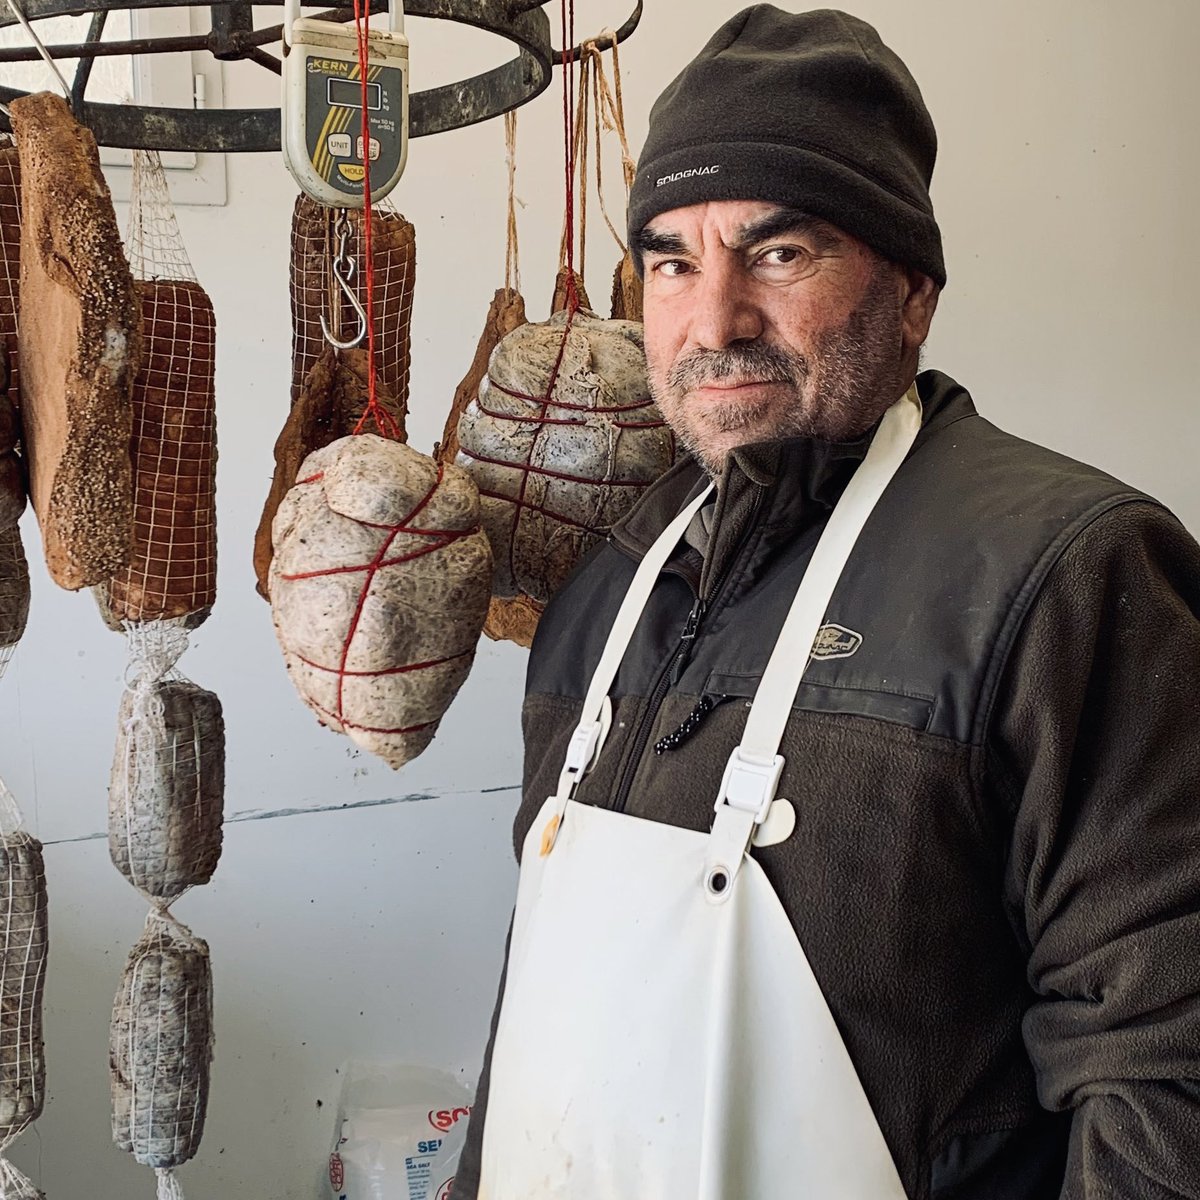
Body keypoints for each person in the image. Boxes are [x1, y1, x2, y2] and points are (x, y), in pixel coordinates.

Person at [453, 6, 1200, 1197]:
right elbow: (539, 1030)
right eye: (673, 262)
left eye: (781, 253)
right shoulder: (602, 596)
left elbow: (1166, 1078)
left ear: (913, 291)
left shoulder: (1070, 574)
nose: (712, 323)